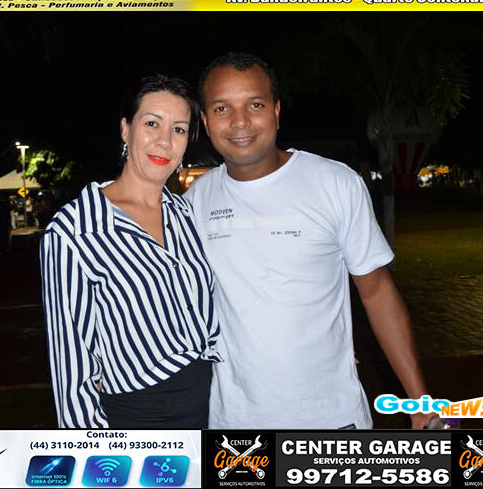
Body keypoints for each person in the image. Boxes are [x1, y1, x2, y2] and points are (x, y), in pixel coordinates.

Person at [186, 53, 434, 430]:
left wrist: (420, 403)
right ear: (205, 121)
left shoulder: (335, 183)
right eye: (222, 108)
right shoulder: (195, 202)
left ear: (276, 111)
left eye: (255, 104)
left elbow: (378, 292)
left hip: (332, 422)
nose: (240, 121)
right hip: (234, 425)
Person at [40, 75, 221, 428]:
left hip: (209, 408)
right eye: (152, 123)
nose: (165, 141)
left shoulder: (186, 215)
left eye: (179, 129)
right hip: (140, 418)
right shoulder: (75, 230)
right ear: (125, 129)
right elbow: (71, 366)